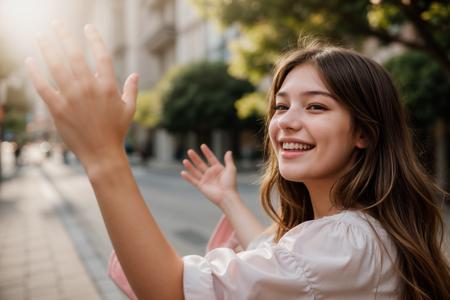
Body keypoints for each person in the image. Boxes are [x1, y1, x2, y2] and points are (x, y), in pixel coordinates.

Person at [26, 21, 450, 299]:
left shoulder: (347, 244)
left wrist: (103, 156)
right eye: (281, 107)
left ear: (364, 133)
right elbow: (280, 258)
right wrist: (228, 198)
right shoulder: (346, 235)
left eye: (316, 107)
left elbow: (171, 291)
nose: (287, 122)